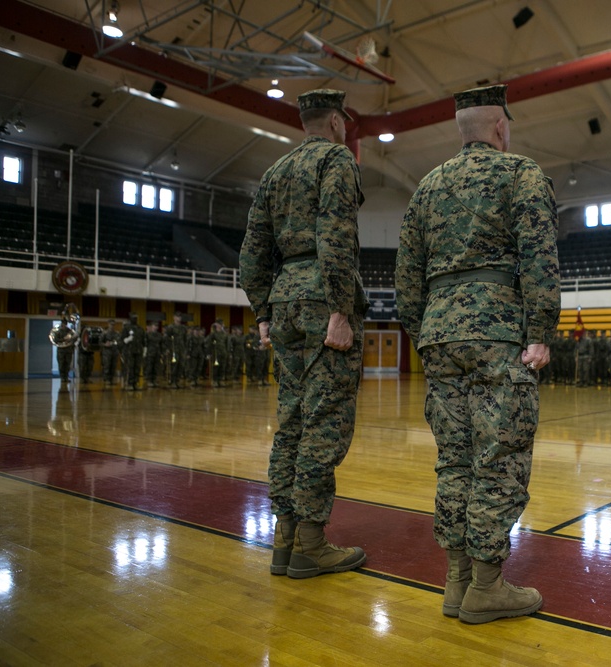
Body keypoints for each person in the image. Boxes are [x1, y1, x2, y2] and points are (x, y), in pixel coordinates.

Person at [394, 84, 560, 624]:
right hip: (498, 331)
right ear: (501, 128)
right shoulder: (521, 173)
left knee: (455, 459)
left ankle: (457, 582)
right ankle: (486, 587)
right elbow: (539, 255)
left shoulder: (427, 186)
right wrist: (541, 330)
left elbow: (406, 277)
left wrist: (426, 331)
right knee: (499, 455)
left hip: (439, 333)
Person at [240, 88, 368, 579]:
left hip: (284, 299)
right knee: (324, 422)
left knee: (291, 422)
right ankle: (311, 544)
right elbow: (336, 233)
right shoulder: (336, 159)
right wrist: (340, 308)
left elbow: (253, 249)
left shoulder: (275, 172)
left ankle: (284, 539)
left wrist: (263, 311)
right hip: (321, 299)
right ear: (336, 121)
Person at [51, 314, 78, 385]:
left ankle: (66, 377)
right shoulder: (58, 331)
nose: (64, 325)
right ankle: (62, 377)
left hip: (68, 350)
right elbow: (56, 340)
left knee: (67, 364)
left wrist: (72, 340)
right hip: (61, 351)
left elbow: (74, 338)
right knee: (61, 364)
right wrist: (63, 339)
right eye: (63, 323)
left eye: (65, 323)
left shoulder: (69, 331)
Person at [164, 312, 188, 389]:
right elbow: (166, 338)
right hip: (173, 349)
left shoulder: (183, 328)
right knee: (174, 366)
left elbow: (185, 339)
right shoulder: (170, 327)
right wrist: (167, 348)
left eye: (180, 317)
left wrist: (186, 349)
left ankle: (177, 381)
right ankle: (172, 381)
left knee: (181, 366)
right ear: (174, 317)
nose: (179, 318)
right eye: (177, 317)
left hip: (181, 350)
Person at [100, 319, 120, 386]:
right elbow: (100, 342)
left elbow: (119, 341)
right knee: (107, 366)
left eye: (113, 325)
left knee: (113, 366)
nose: (112, 326)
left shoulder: (117, 333)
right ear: (108, 324)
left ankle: (111, 379)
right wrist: (105, 344)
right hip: (107, 352)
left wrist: (114, 343)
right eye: (111, 324)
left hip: (114, 352)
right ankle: (106, 379)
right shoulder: (104, 333)